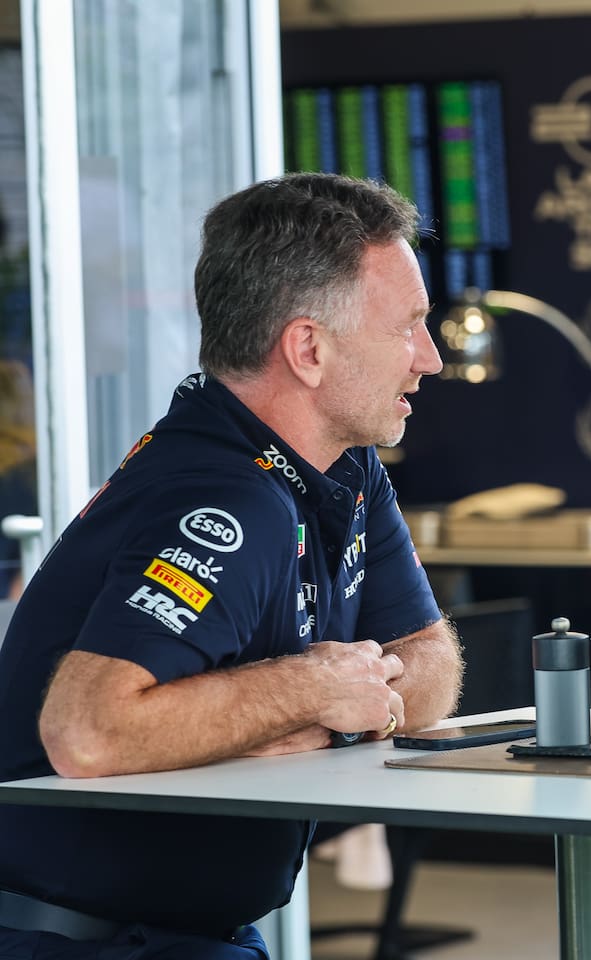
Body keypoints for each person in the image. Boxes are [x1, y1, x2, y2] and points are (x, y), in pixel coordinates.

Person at [0, 173, 463, 958]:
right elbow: (86, 731)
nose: (432, 358)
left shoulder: (347, 471)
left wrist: (317, 716)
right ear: (308, 349)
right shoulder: (223, 493)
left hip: (204, 936)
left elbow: (435, 667)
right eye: (409, 326)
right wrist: (315, 689)